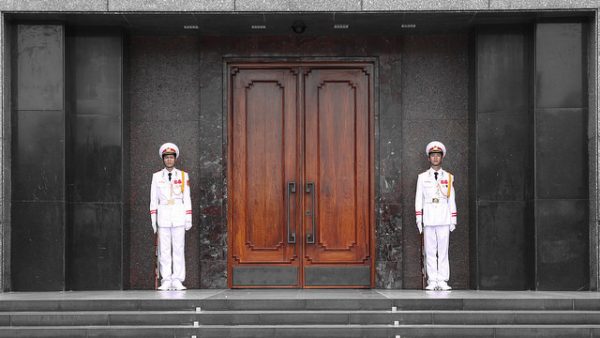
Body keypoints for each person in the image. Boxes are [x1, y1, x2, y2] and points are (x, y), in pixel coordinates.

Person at [149, 143, 192, 290]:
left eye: (171, 157)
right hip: (163, 217)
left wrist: (188, 217)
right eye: (166, 157)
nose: (169, 160)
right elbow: (153, 199)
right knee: (164, 250)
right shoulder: (156, 177)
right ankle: (166, 279)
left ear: (175, 159)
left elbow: (187, 197)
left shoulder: (182, 175)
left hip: (179, 215)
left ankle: (178, 279)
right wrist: (153, 219)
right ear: (163, 159)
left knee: (179, 249)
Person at [415, 141, 457, 291]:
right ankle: (432, 280)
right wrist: (419, 218)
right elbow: (418, 198)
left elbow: (451, 198)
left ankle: (443, 280)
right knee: (430, 251)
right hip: (429, 217)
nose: (435, 158)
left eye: (438, 155)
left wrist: (453, 219)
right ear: (429, 158)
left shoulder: (449, 177)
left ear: (442, 157)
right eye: (432, 155)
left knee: (443, 251)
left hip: (444, 217)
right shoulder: (422, 177)